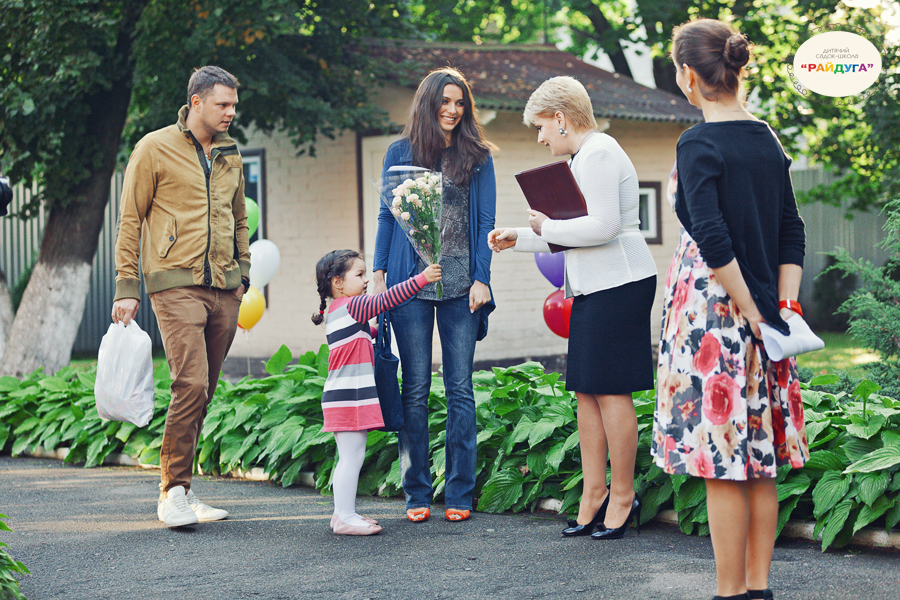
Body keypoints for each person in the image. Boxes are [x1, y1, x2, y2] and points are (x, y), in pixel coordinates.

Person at [651, 19, 808, 600]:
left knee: (722, 463)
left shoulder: (698, 143)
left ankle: (728, 593)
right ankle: (758, 589)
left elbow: (713, 242)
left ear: (689, 75)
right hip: (769, 311)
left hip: (715, 317)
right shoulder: (767, 137)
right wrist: (780, 309)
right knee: (759, 458)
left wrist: (751, 312)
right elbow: (792, 231)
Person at [488, 76, 657, 540]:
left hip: (620, 283)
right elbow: (569, 228)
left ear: (561, 118)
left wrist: (544, 228)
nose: (540, 137)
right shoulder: (584, 156)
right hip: (593, 286)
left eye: (541, 126)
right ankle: (594, 493)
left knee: (610, 391)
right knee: (586, 391)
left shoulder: (600, 152)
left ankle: (623, 495)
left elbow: (602, 227)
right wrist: (517, 236)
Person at [112, 66, 250, 528]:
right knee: (189, 382)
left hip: (225, 286)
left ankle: (184, 490)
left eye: (234, 104)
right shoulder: (153, 148)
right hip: (173, 284)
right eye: (223, 104)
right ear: (196, 102)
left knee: (204, 388)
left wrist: (243, 271)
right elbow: (131, 218)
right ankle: (171, 492)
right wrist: (126, 286)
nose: (232, 112)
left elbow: (240, 217)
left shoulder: (230, 151)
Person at [372, 67, 496, 523]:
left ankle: (460, 494)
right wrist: (381, 270)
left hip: (462, 286)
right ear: (428, 103)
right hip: (411, 285)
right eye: (445, 101)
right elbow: (388, 217)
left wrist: (482, 277)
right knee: (416, 389)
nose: (452, 109)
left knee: (460, 389)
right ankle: (417, 493)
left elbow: (486, 222)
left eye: (460, 102)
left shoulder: (477, 155)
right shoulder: (400, 152)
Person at [312, 250, 441, 535]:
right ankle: (345, 517)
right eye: (359, 274)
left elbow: (362, 335)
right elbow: (385, 300)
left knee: (349, 456)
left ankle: (341, 514)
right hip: (349, 398)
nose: (366, 279)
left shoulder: (338, 310)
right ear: (338, 283)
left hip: (344, 396)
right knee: (352, 458)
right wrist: (422, 279)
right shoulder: (352, 306)